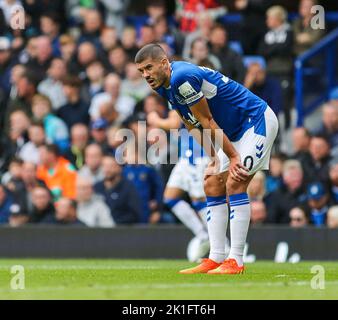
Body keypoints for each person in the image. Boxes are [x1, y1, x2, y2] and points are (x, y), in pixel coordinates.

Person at [135, 44, 278, 274]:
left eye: (148, 68)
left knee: (235, 181)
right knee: (212, 182)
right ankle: (216, 257)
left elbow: (208, 120)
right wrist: (213, 157)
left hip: (255, 120)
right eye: (141, 71)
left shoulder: (182, 77)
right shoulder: (163, 86)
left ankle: (236, 261)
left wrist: (232, 157)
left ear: (164, 63)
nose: (145, 75)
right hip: (233, 131)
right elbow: (191, 123)